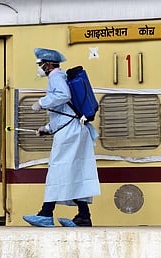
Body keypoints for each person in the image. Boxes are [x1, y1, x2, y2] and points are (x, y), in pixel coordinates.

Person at [22, 48, 101, 227]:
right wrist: (47, 128)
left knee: (57, 169)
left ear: (48, 64)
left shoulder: (56, 77)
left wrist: (41, 103)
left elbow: (63, 95)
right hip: (74, 129)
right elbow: (64, 112)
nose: (39, 67)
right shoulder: (62, 77)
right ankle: (83, 216)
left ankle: (46, 213)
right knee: (74, 171)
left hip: (69, 134)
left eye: (40, 64)